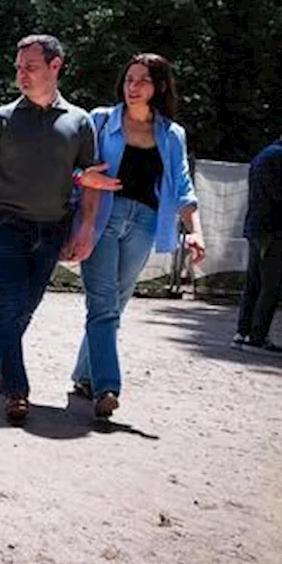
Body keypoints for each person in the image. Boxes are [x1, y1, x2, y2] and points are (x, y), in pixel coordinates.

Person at [0, 34, 118, 425]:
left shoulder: (79, 122)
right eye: (18, 68)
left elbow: (91, 180)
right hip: (6, 222)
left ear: (55, 66)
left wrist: (85, 229)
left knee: (26, 307)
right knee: (9, 305)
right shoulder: (1, 119)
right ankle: (17, 392)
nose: (22, 75)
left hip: (54, 226)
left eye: (30, 67)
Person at [71, 54, 206, 418]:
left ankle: (85, 375)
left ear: (159, 86)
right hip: (102, 218)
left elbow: (182, 185)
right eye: (129, 80)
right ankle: (107, 387)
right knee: (102, 305)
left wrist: (195, 232)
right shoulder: (99, 120)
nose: (133, 87)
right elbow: (75, 169)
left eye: (142, 80)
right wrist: (83, 182)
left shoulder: (172, 134)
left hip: (145, 224)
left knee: (117, 303)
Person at [234, 129, 282, 354]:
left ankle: (242, 332)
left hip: (256, 227)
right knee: (271, 285)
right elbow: (281, 195)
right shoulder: (280, 157)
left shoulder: (264, 154)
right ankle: (258, 337)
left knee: (253, 283)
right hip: (274, 229)